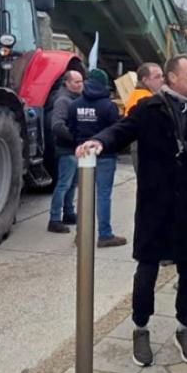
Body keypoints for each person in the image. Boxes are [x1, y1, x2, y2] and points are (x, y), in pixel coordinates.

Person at [76, 56, 187, 367]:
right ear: (172, 77)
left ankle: (185, 327)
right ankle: (140, 328)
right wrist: (99, 142)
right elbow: (121, 130)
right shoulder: (149, 109)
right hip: (154, 203)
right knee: (147, 270)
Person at [68, 68, 126, 247]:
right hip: (105, 155)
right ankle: (105, 234)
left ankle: (81, 235)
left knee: (84, 195)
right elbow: (116, 131)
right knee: (103, 195)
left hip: (83, 153)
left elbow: (71, 128)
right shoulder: (108, 106)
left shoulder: (75, 104)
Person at [48, 69, 84, 233]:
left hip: (74, 150)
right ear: (67, 83)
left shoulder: (76, 99)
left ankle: (68, 213)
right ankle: (54, 219)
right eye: (76, 82)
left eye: (81, 81)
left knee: (72, 184)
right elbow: (57, 125)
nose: (80, 85)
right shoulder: (63, 100)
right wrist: (76, 138)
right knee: (64, 184)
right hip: (66, 150)